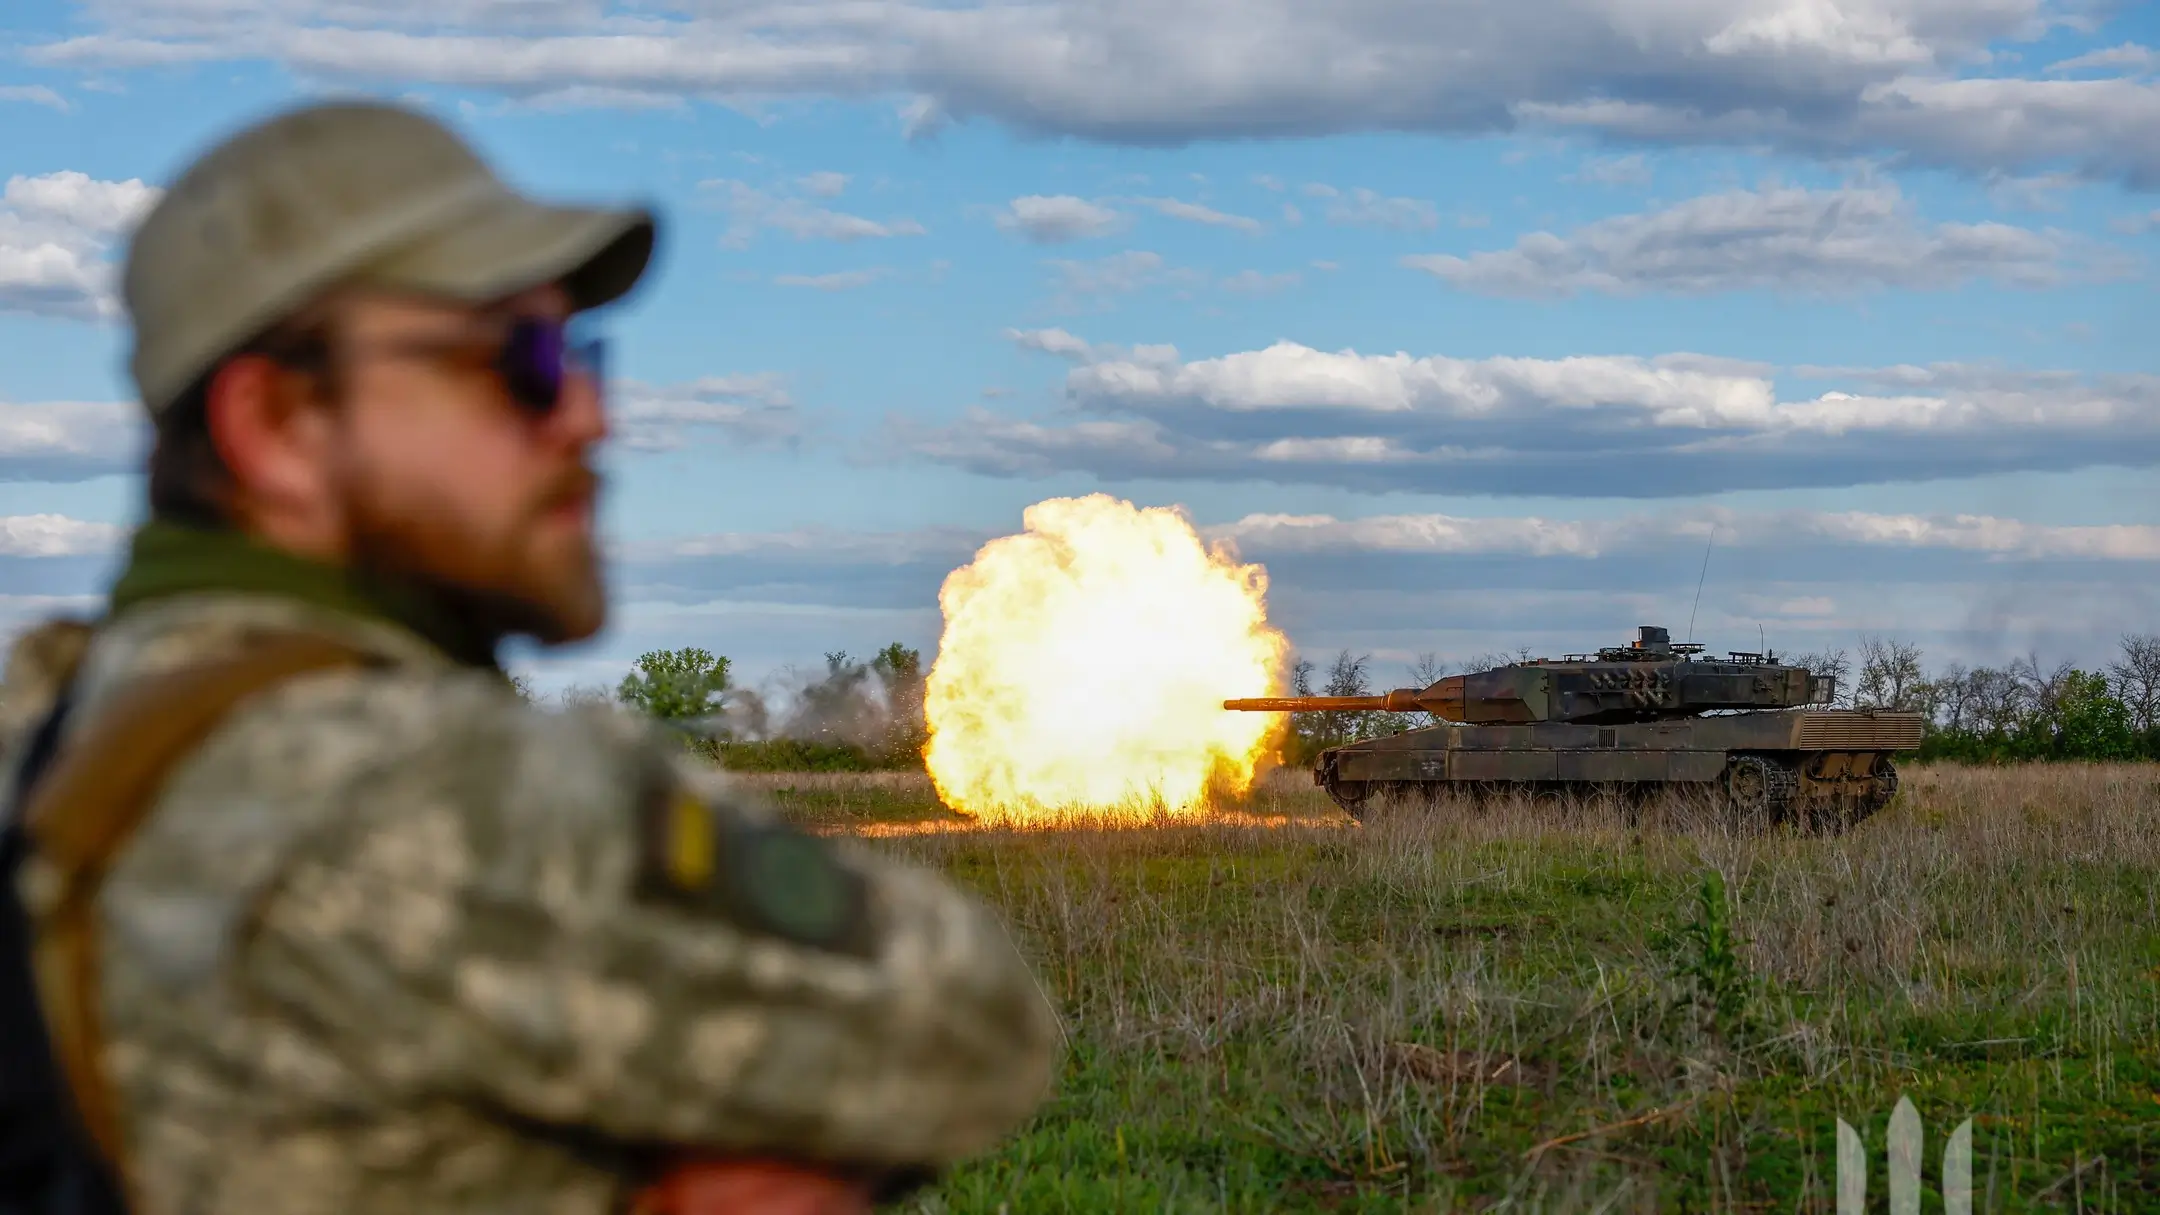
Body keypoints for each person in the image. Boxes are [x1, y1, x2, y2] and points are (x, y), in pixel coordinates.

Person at [0, 100, 1060, 1215]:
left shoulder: (47, 725)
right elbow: (973, 1026)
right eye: (520, 360)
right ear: (275, 424)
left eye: (581, 352)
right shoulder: (431, 792)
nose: (588, 415)